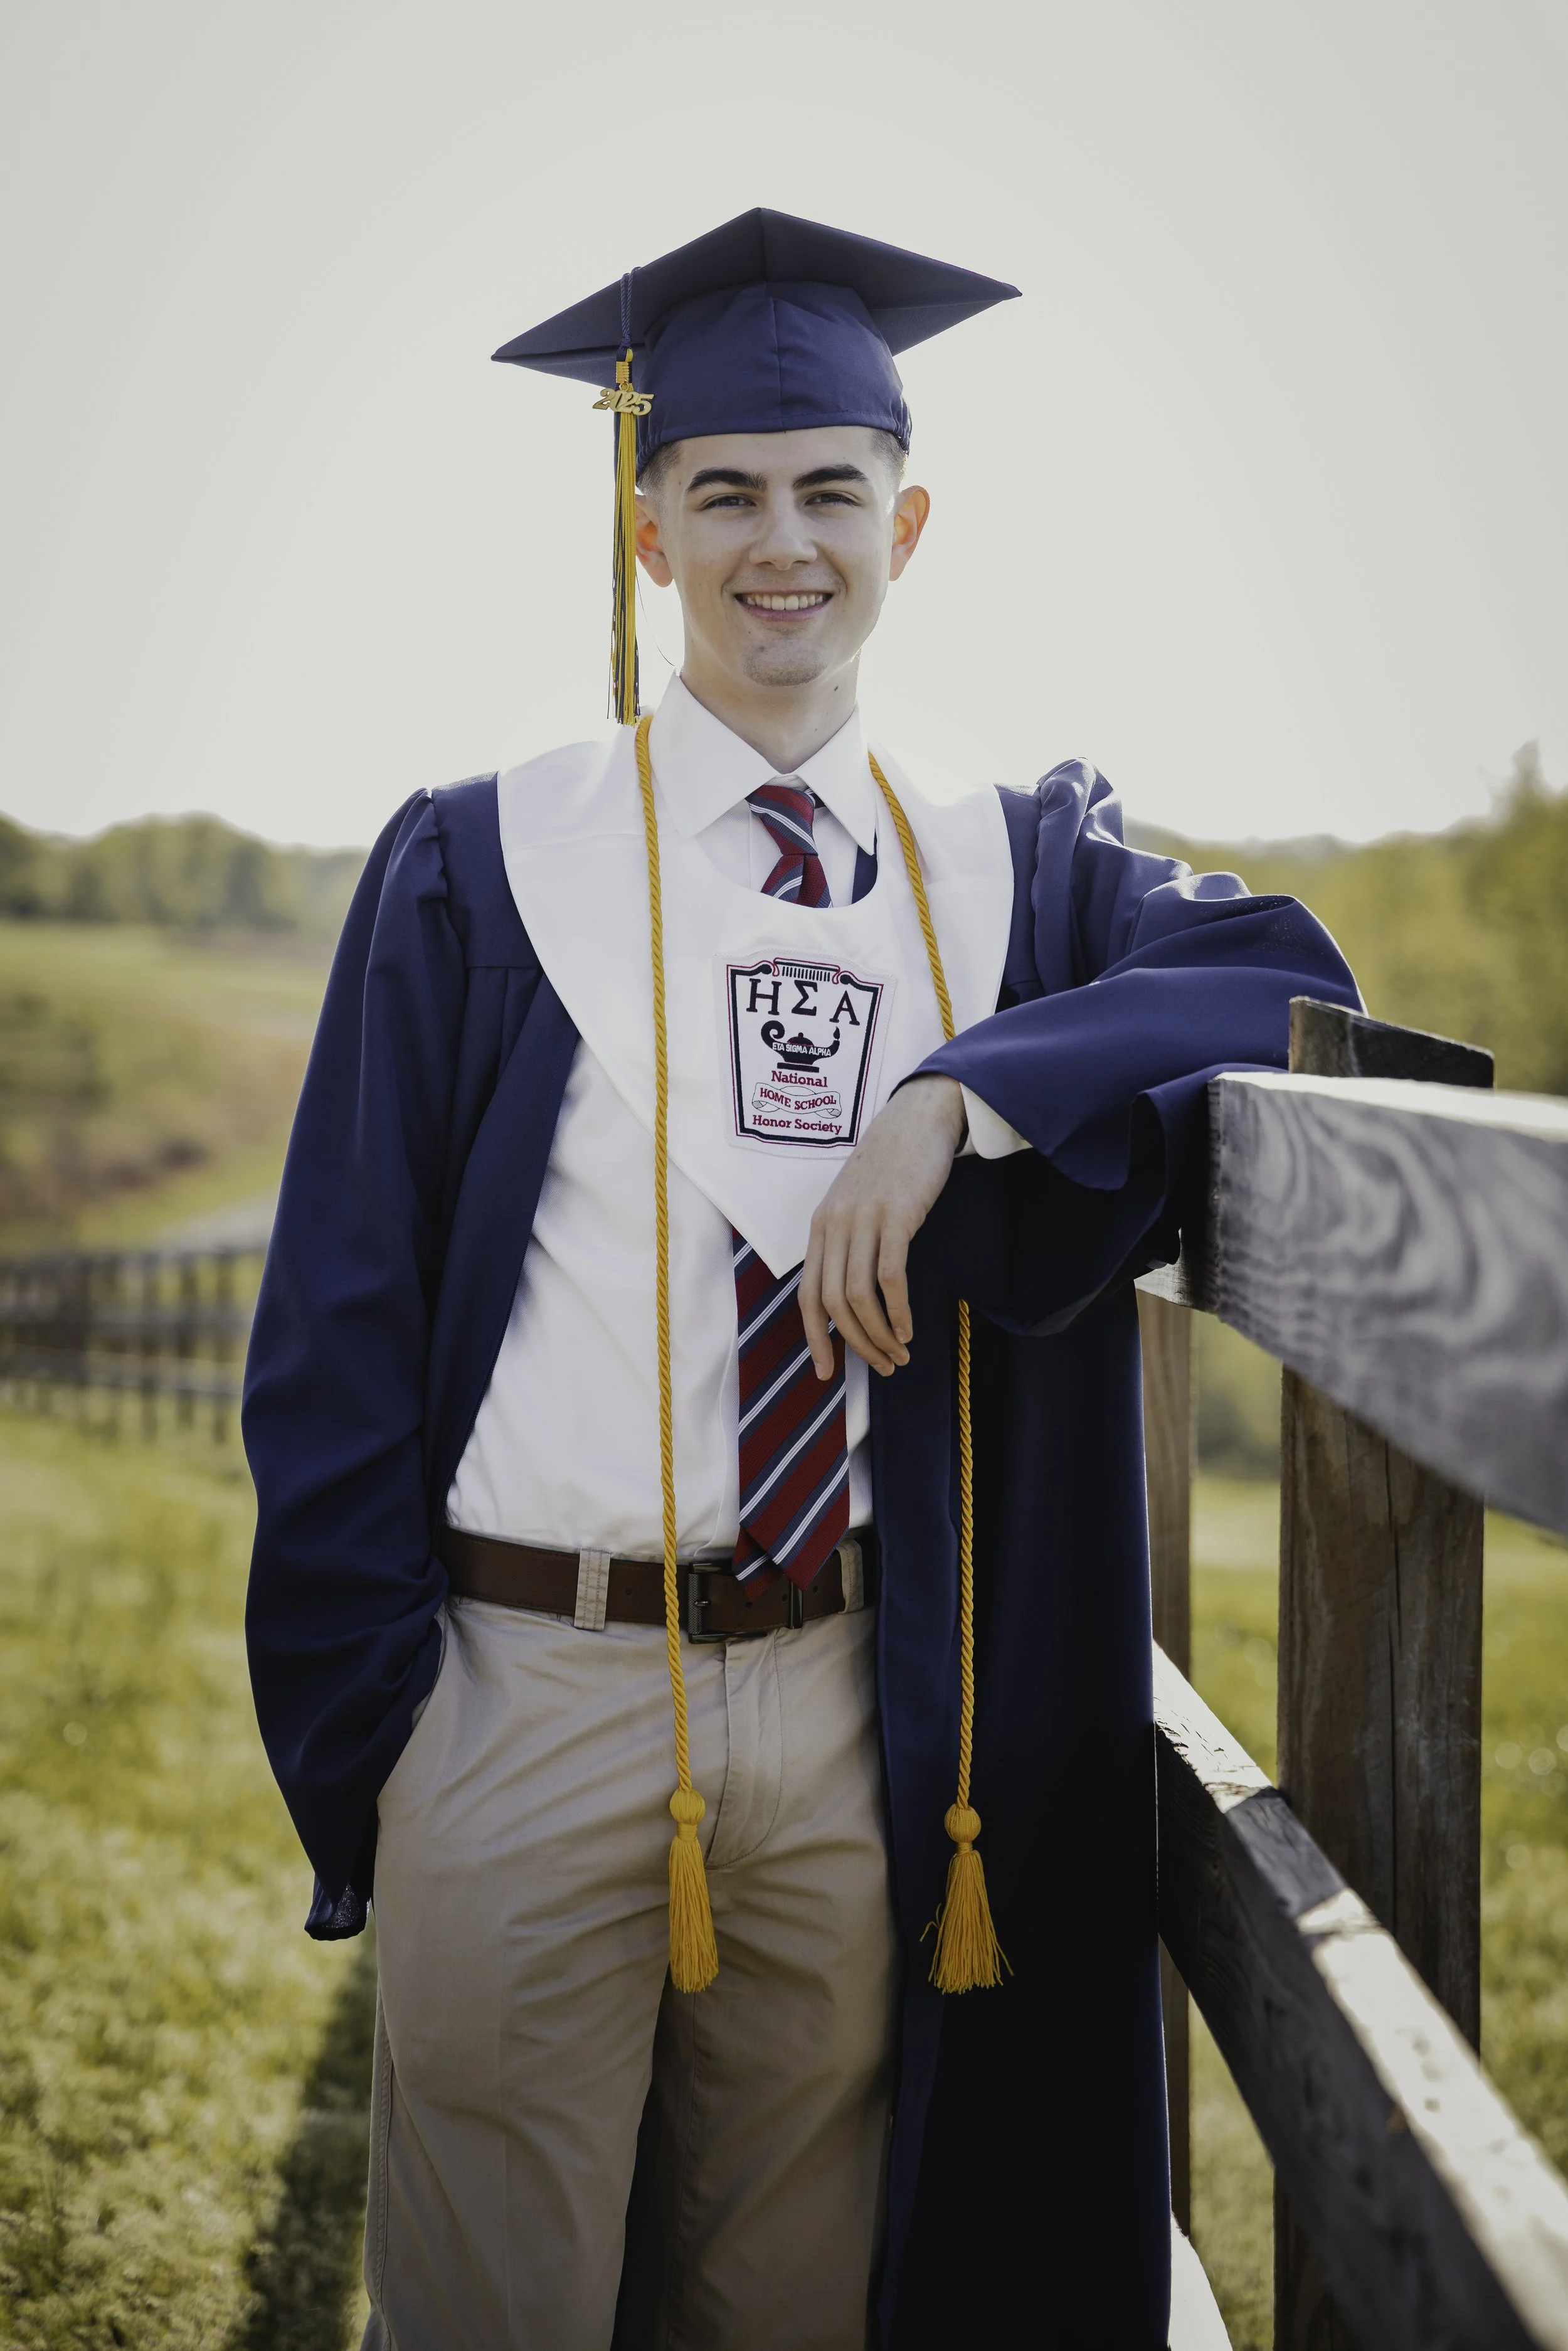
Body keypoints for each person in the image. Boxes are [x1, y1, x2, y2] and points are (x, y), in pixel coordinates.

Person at [243, 209, 1358, 2350]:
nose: (784, 542)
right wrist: (388, 1734)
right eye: (727, 490)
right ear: (644, 526)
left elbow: (1268, 965)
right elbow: (336, 1334)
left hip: (856, 1715)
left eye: (830, 490)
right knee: (498, 2310)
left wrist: (957, 1095)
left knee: (790, 2304)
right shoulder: (489, 860)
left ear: (906, 523)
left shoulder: (1006, 866)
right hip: (521, 1688)